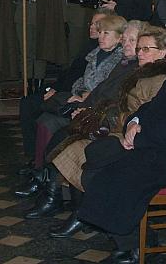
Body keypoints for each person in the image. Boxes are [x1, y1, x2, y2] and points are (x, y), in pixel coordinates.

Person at [76, 27, 166, 264]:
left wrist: (139, 139)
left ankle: (134, 245)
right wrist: (134, 122)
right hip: (159, 149)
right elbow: (150, 107)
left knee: (107, 173)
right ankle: (130, 236)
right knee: (97, 161)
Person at [45, 26, 166, 238]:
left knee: (87, 151)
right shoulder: (141, 74)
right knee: (74, 143)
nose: (139, 53)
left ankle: (85, 214)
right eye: (138, 48)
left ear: (162, 53)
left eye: (145, 49)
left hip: (133, 137)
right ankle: (80, 212)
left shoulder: (159, 80)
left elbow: (145, 115)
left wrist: (111, 119)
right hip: (119, 128)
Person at [18, 11, 109, 170]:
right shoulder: (90, 46)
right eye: (92, 24)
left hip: (77, 95)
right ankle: (34, 158)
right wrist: (54, 88)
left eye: (98, 26)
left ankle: (39, 163)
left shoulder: (104, 52)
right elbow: (70, 73)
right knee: (30, 104)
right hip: (67, 90)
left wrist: (64, 92)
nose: (92, 28)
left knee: (36, 109)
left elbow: (92, 82)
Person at [9, 0, 67, 94]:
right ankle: (27, 83)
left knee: (41, 50)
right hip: (23, 14)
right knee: (25, 51)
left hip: (42, 15)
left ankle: (39, 83)